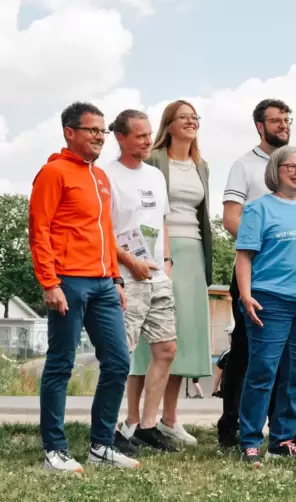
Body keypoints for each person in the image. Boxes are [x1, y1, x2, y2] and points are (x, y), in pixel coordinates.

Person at [29, 101, 139, 471]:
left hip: (104, 284)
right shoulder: (53, 173)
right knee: (60, 364)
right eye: (92, 130)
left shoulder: (100, 178)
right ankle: (54, 450)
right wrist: (49, 282)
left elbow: (105, 231)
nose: (99, 137)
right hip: (68, 282)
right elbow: (39, 231)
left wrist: (116, 277)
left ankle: (101, 446)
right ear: (70, 132)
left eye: (103, 131)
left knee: (119, 361)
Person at [218, 99, 296, 448]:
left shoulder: (293, 167)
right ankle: (232, 425)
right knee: (245, 353)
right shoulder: (243, 166)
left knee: (286, 358)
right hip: (254, 276)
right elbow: (231, 219)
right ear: (260, 125)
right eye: (276, 121)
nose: (284, 125)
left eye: (287, 119)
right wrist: (264, 246)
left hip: (289, 283)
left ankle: (281, 428)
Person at [236, 145, 296, 466]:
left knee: (295, 375)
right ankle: (250, 441)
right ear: (275, 171)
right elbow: (244, 256)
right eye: (291, 166)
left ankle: (283, 439)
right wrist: (246, 294)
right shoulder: (258, 209)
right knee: (263, 372)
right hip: (270, 301)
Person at [127, 99, 213, 446]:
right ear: (170, 124)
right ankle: (133, 419)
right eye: (184, 117)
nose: (191, 122)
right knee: (149, 342)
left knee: (183, 339)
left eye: (195, 117)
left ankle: (170, 419)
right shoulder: (154, 160)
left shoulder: (200, 166)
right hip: (158, 251)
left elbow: (203, 215)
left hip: (192, 253)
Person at [104, 109, 178, 453]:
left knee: (166, 349)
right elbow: (101, 230)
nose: (148, 140)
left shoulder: (155, 176)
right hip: (125, 275)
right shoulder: (106, 175)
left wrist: (166, 262)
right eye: (140, 136)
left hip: (157, 275)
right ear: (120, 137)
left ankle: (148, 426)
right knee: (122, 354)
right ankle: (111, 427)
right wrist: (129, 262)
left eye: (149, 134)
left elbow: (161, 221)